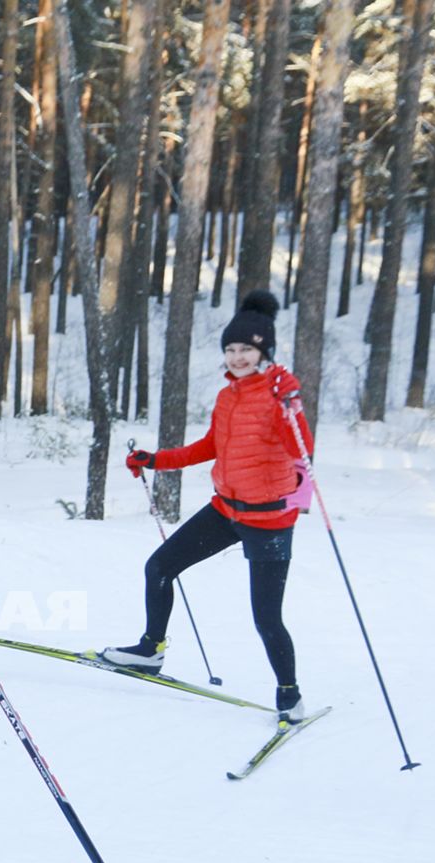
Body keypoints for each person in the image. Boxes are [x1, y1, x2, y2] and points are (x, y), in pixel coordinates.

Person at [101, 290, 316, 723]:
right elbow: (209, 447)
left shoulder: (279, 397)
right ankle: (150, 650)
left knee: (266, 618)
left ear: (264, 352)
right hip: (225, 510)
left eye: (247, 349)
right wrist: (156, 460)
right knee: (159, 567)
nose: (238, 357)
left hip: (269, 520)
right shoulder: (228, 396)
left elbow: (304, 452)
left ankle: (290, 695)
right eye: (231, 349)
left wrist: (292, 405)